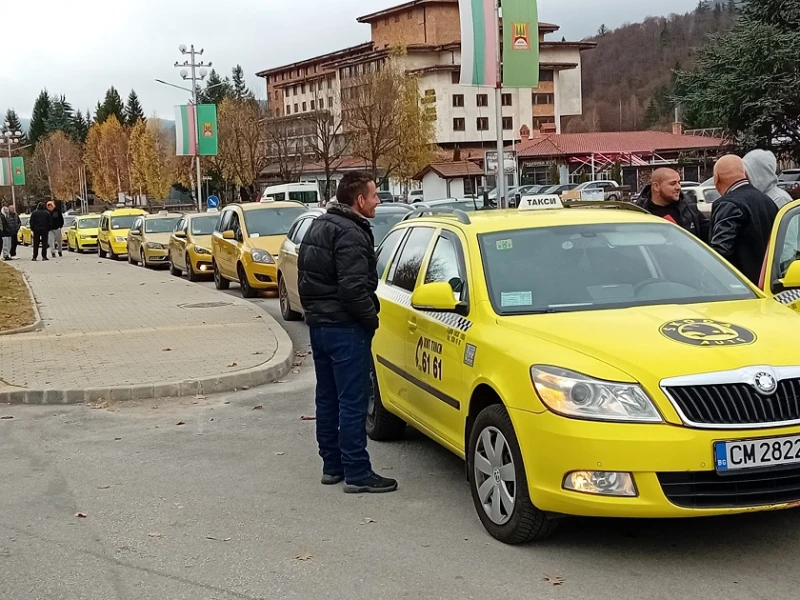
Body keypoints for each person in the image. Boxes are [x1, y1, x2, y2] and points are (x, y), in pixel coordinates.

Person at [297, 171, 397, 494]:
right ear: (359, 200)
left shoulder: (319, 226)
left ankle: (332, 465)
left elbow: (306, 280)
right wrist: (371, 320)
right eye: (374, 195)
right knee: (352, 400)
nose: (378, 201)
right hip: (346, 327)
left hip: (319, 327)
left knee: (327, 397)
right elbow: (354, 290)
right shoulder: (351, 233)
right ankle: (357, 470)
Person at [709, 155, 779, 285]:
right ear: (745, 174)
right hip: (768, 281)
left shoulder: (728, 204)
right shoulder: (767, 200)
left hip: (739, 286)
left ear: (716, 178)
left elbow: (720, 251)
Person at [636, 168, 709, 241]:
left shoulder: (689, 209)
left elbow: (709, 236)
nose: (678, 187)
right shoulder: (638, 212)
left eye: (679, 183)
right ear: (656, 187)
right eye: (673, 184)